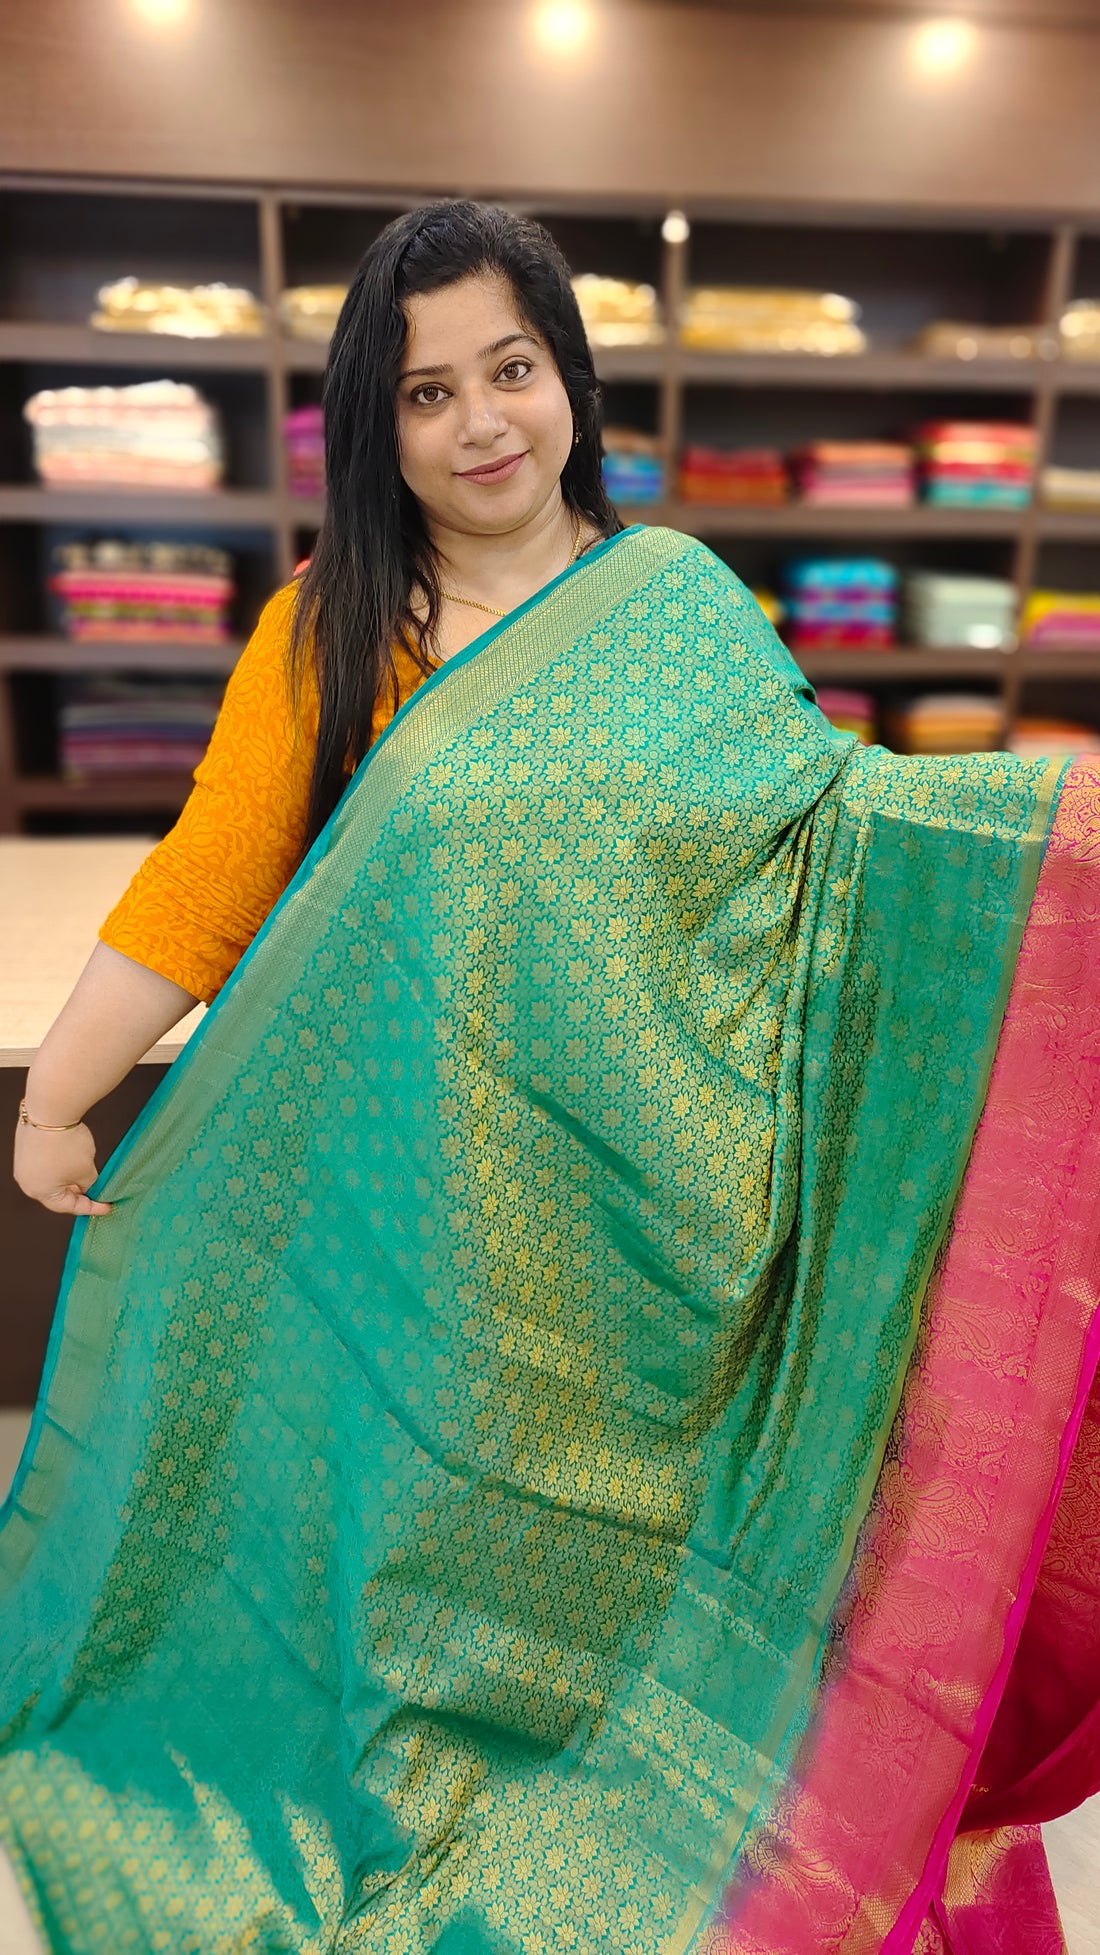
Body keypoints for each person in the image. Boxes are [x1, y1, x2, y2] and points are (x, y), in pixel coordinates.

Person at [4, 201, 1099, 1955]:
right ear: (378, 426)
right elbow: (213, 876)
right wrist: (59, 1093)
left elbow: (824, 840)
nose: (480, 424)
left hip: (658, 1210)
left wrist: (1059, 841)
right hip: (417, 1214)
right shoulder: (332, 625)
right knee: (432, 1564)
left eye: (509, 369)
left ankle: (637, 1784)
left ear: (569, 377)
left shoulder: (682, 602)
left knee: (633, 1564)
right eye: (426, 394)